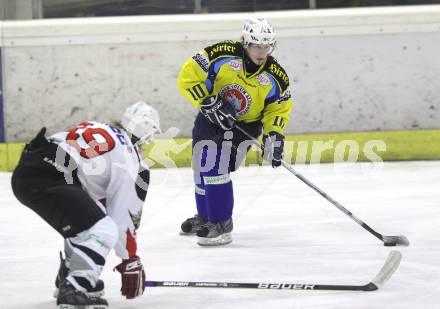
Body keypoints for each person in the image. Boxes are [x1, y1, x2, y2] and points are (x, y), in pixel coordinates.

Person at [11, 102, 160, 308]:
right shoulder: (131, 159)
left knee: (89, 223)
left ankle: (71, 275)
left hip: (28, 169)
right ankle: (73, 287)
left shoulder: (99, 127)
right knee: (105, 228)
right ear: (146, 136)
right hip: (52, 176)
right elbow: (122, 219)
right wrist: (130, 260)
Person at [177, 17, 293, 246]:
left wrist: (274, 135)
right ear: (245, 43)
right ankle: (206, 217)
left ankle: (222, 223)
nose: (262, 52)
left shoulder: (276, 76)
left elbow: (277, 109)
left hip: (243, 128)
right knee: (201, 167)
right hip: (210, 118)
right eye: (257, 46)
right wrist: (207, 102)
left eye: (267, 46)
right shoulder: (221, 53)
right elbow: (188, 75)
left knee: (215, 166)